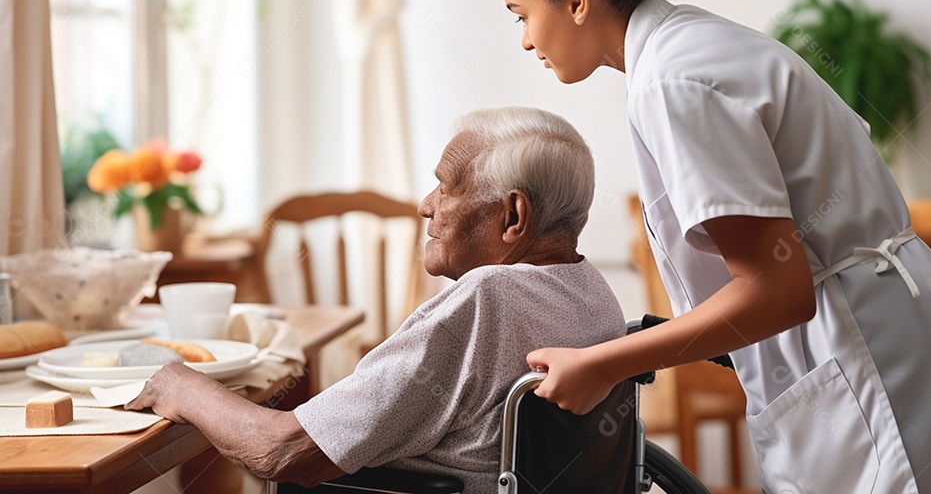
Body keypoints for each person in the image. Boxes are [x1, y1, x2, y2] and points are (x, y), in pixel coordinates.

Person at [498, 0, 931, 494]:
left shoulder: (674, 81)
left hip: (860, 340)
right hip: (885, 317)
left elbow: (777, 288)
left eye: (520, 14)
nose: (522, 41)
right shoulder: (689, 45)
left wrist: (604, 364)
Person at [127, 107, 626, 492]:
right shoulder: (594, 294)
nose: (425, 205)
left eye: (446, 186)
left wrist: (181, 385)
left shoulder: (487, 298)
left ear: (513, 216)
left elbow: (282, 452)